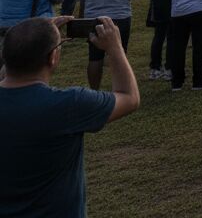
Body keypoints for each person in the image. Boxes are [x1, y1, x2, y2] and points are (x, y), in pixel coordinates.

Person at [0, 16, 140, 217]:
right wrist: (115, 48)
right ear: (53, 58)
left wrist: (34, 40)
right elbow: (129, 97)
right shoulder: (68, 104)